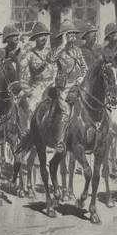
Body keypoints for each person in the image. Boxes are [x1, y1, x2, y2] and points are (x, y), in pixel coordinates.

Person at [51, 21, 88, 153]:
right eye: (69, 34)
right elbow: (52, 59)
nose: (72, 36)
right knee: (66, 112)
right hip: (63, 87)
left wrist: (80, 79)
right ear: (64, 36)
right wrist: (62, 44)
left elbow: (85, 68)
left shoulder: (77, 51)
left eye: (74, 34)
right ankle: (60, 141)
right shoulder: (59, 51)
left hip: (77, 86)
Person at [24, 23, 55, 115]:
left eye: (45, 35)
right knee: (31, 108)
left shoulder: (51, 52)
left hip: (52, 85)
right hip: (38, 86)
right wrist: (45, 63)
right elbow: (34, 72)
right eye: (41, 35)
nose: (44, 38)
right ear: (35, 38)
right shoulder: (30, 54)